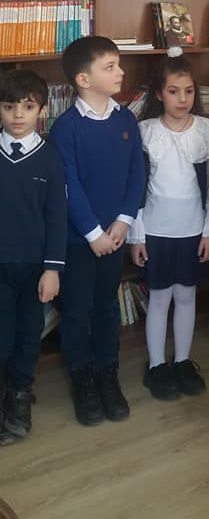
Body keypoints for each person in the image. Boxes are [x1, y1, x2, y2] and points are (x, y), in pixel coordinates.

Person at [49, 36, 144, 427]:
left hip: (115, 236)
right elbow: (67, 185)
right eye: (110, 66)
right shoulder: (65, 128)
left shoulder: (126, 120)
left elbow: (137, 173)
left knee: (106, 307)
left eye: (118, 64)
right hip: (78, 242)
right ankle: (82, 379)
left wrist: (123, 221)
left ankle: (107, 372)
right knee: (76, 311)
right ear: (83, 79)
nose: (120, 71)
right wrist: (93, 234)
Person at [128, 49, 209, 400]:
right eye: (173, 91)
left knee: (186, 296)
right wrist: (136, 236)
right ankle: (157, 365)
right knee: (159, 299)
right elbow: (135, 189)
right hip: (155, 231)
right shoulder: (145, 132)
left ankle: (182, 361)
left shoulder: (208, 132)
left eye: (188, 91)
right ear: (159, 93)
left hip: (192, 231)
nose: (182, 99)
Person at [0, 69, 66, 446]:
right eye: (9, 106)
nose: (18, 115)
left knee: (28, 336)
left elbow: (57, 217)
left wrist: (52, 269)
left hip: (35, 269)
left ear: (41, 110)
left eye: (27, 107)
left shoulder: (50, 158)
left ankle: (19, 396)